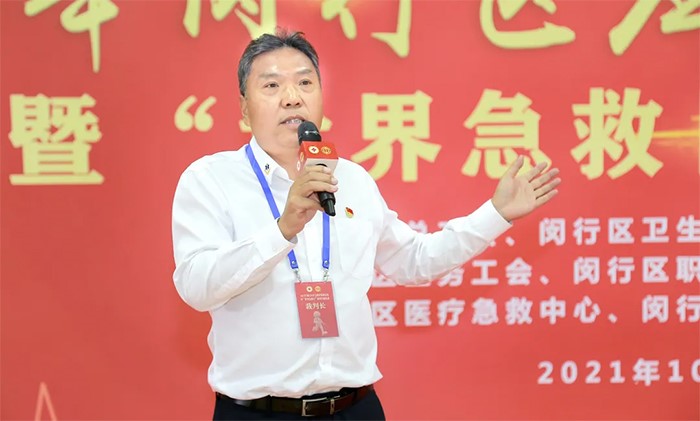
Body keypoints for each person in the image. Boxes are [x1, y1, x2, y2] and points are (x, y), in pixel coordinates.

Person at [171, 28, 561, 420]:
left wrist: (496, 214)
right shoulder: (210, 180)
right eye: (271, 85)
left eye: (305, 82)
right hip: (259, 411)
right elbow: (196, 287)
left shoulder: (352, 179)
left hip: (355, 407)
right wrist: (282, 229)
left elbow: (413, 260)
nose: (292, 97)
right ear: (244, 107)